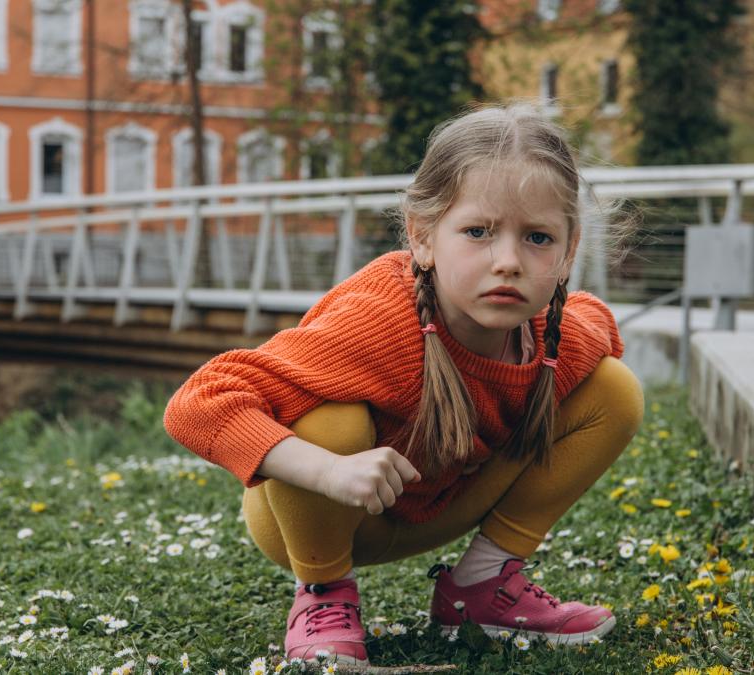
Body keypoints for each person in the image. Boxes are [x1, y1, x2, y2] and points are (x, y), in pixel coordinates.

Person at [163, 103, 644, 667]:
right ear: (421, 237)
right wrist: (329, 471)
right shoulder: (377, 323)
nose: (509, 261)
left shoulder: (557, 335)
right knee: (326, 412)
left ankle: (482, 587)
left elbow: (599, 325)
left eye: (538, 237)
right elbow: (197, 401)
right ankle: (323, 597)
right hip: (325, 517)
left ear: (568, 253)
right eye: (478, 232)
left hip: (438, 505)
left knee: (614, 389)